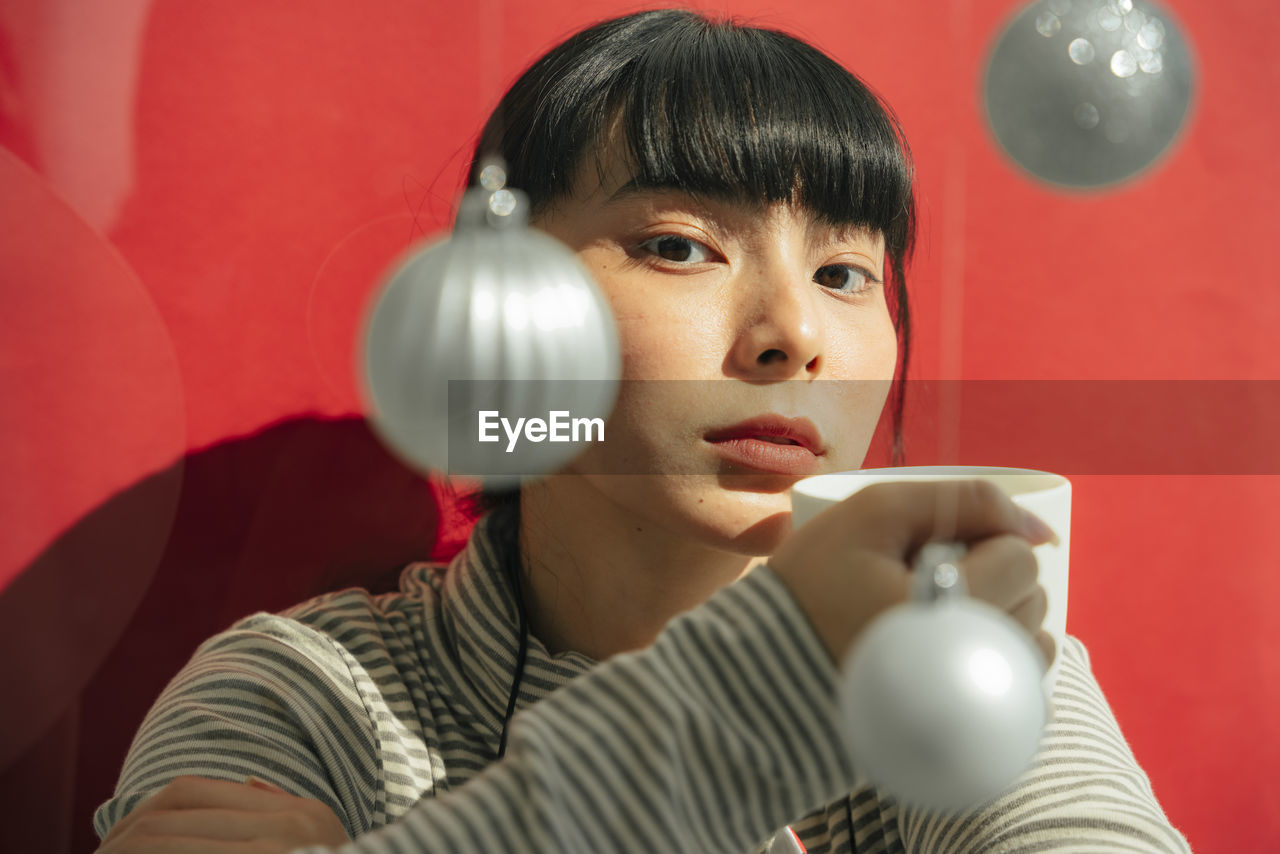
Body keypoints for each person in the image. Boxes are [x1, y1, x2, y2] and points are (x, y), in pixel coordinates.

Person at [93, 9, 1190, 853]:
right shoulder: (307, 695)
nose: (794, 333)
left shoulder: (958, 660)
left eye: (846, 272)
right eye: (679, 246)